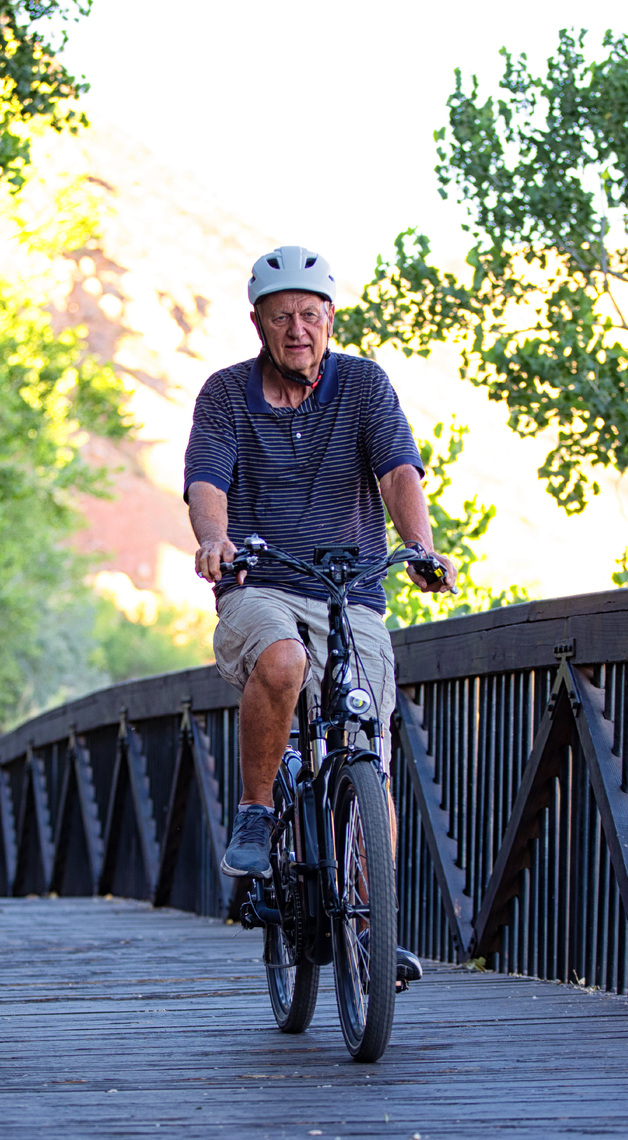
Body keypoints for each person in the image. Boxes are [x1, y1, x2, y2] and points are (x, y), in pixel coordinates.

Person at [185, 244, 457, 895]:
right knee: (282, 662)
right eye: (281, 317)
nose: (297, 330)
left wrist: (420, 545)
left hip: (351, 592)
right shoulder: (226, 393)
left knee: (367, 750)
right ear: (258, 324)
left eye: (309, 315)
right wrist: (215, 539)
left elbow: (397, 473)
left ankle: (370, 930)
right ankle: (255, 812)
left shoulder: (363, 385)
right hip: (261, 583)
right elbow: (205, 483)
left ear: (330, 318)